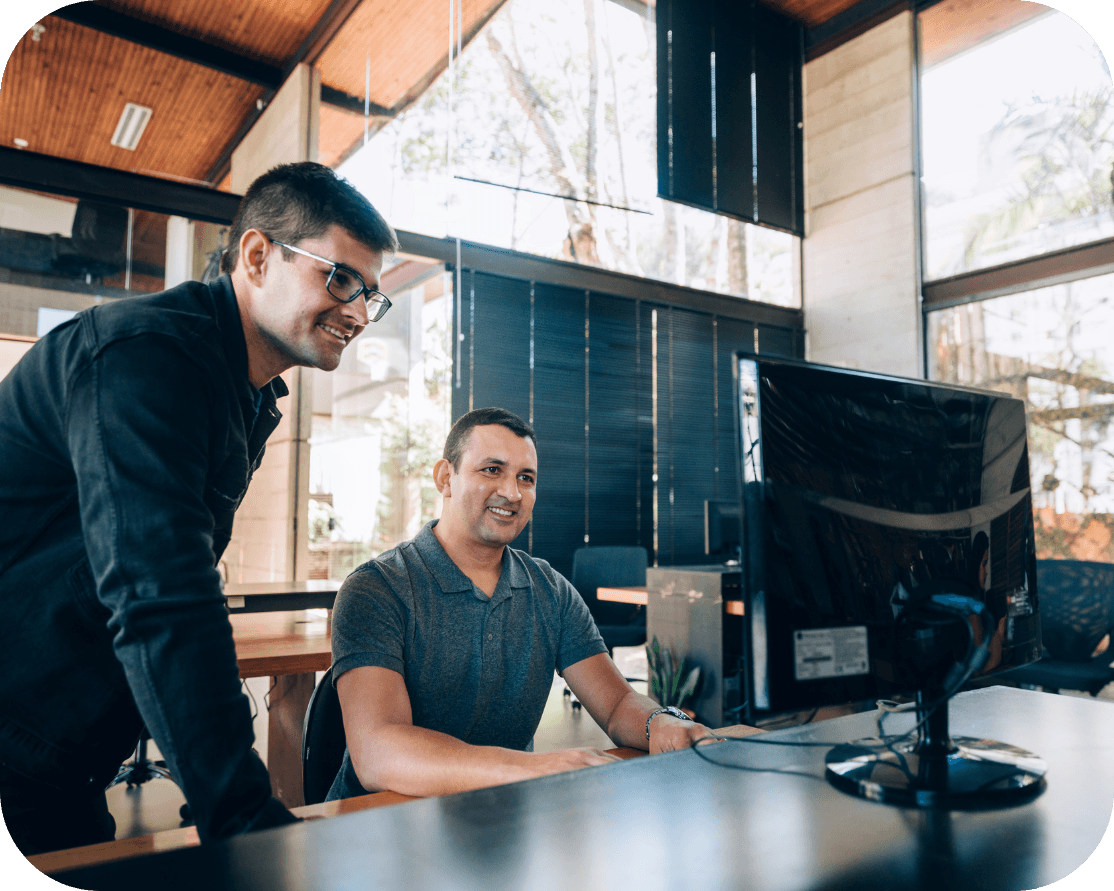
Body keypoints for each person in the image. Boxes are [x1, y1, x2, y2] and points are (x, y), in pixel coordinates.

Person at [0, 161, 398, 856]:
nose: (360, 312)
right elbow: (163, 598)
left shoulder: (244, 395)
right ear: (256, 255)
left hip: (60, 751)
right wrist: (248, 826)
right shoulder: (147, 360)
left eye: (370, 293)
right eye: (340, 278)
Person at [327, 407, 753, 802]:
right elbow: (378, 751)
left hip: (498, 816)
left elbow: (618, 703)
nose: (511, 492)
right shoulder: (377, 589)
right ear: (445, 478)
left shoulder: (550, 590)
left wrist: (660, 721)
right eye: (491, 470)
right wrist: (535, 768)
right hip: (379, 824)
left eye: (526, 477)